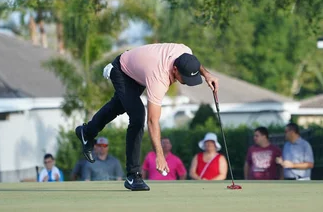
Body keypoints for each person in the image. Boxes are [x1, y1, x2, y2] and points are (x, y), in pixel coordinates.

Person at [75, 43, 218, 191]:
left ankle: (86, 132)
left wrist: (206, 74)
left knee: (117, 106)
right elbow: (152, 121)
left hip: (137, 71)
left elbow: (195, 64)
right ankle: (133, 175)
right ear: (175, 69)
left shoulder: (185, 51)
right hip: (122, 70)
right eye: (185, 78)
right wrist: (160, 155)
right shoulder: (158, 79)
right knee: (138, 116)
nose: (187, 83)